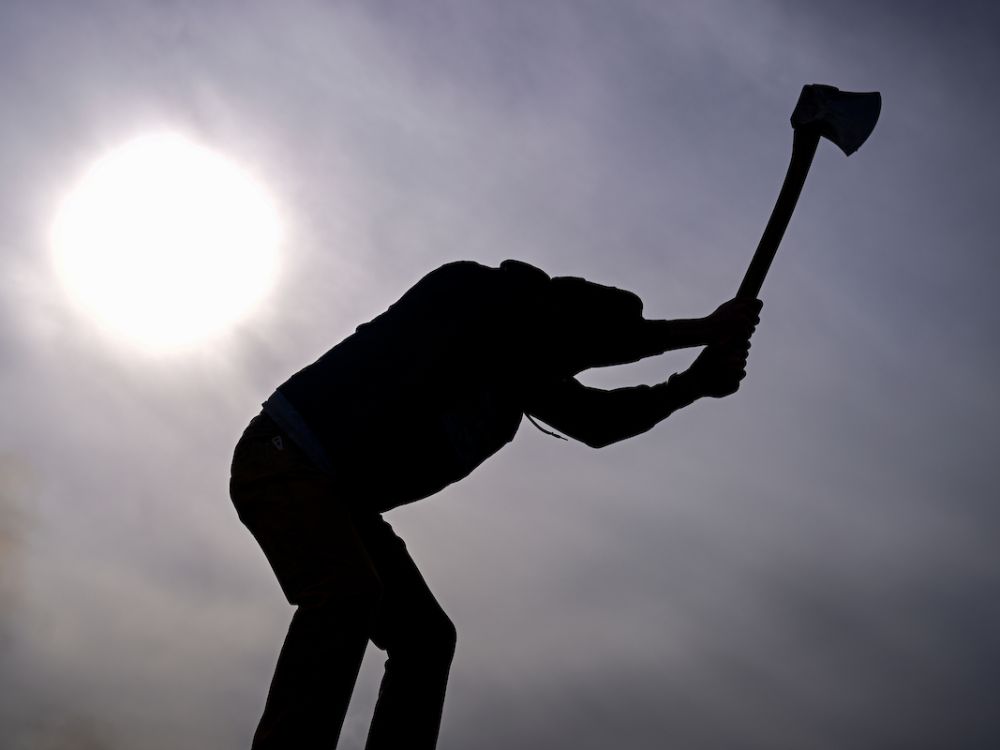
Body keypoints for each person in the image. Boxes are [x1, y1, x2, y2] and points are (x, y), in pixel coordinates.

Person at [229, 259, 761, 749]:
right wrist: (698, 331)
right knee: (348, 594)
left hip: (342, 501)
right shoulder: (476, 291)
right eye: (573, 343)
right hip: (285, 457)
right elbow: (573, 337)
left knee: (426, 640)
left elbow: (600, 423)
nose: (571, 362)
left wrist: (690, 384)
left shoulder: (522, 377)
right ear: (553, 311)